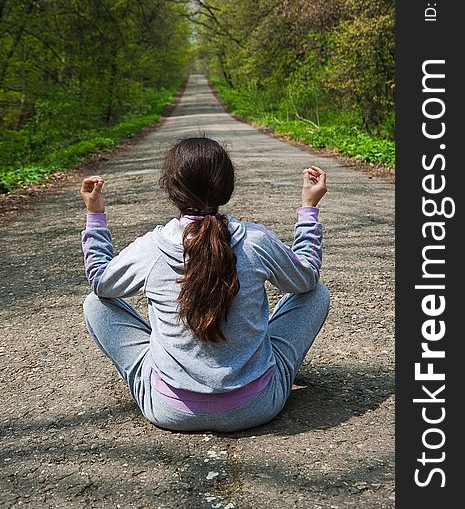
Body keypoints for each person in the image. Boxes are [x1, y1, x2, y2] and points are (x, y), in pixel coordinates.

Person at [81, 136, 330, 432]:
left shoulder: (152, 247)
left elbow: (100, 280)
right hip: (258, 406)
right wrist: (309, 209)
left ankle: (174, 373)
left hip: (169, 410)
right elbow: (306, 277)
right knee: (315, 293)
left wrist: (95, 215)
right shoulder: (255, 241)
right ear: (227, 186)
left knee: (96, 303)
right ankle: (251, 375)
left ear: (171, 190)